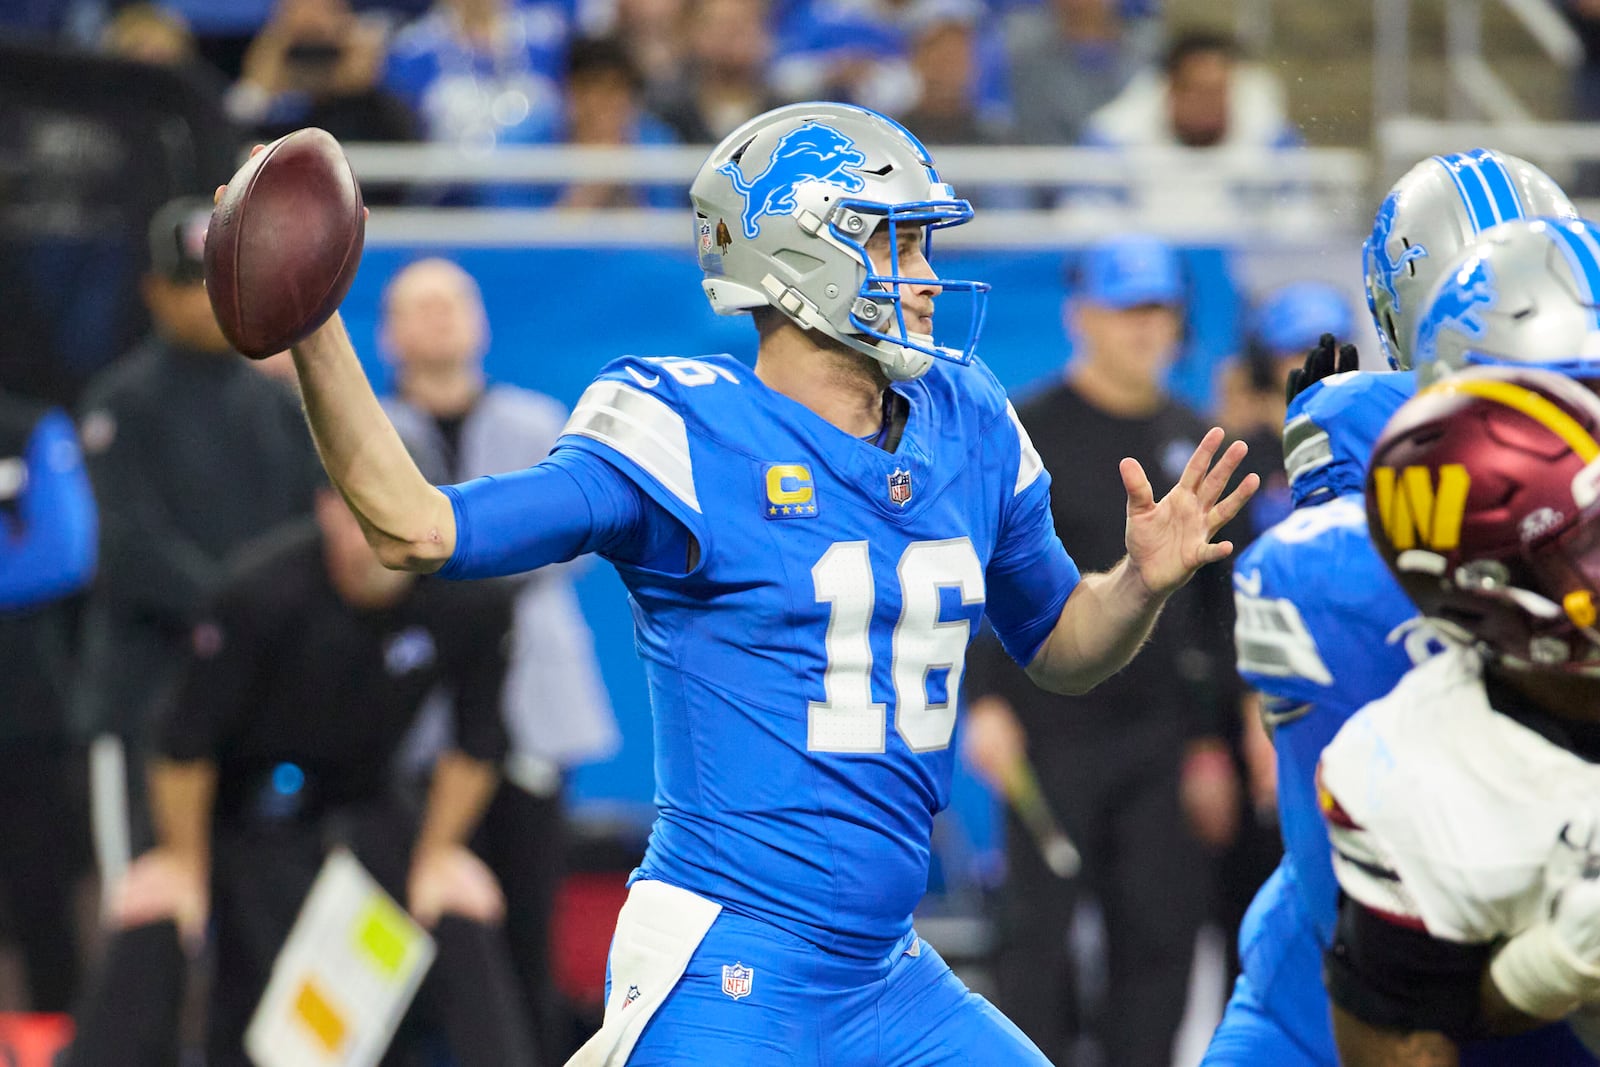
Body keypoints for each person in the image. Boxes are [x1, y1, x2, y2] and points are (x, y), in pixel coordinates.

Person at [239, 101, 1256, 1065]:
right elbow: (418, 527)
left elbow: (1062, 647)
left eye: (924, 245)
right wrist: (314, 324)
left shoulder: (967, 416)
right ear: (799, 254)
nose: (926, 277)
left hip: (885, 971)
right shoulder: (685, 428)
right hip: (726, 960)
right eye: (896, 243)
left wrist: (1136, 583)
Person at [1201, 152, 1585, 1067]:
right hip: (1450, 965)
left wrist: (1344, 446)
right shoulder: (1327, 549)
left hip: (1341, 973)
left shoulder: (1322, 528)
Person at [66, 484, 534, 1067]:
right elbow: (184, 744)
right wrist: (183, 864)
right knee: (158, 914)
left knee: (460, 907)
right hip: (229, 809)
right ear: (327, 513)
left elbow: (480, 739)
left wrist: (438, 854)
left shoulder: (472, 603)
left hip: (363, 802)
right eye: (366, 520)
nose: (382, 542)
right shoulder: (260, 594)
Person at [961, 234, 1243, 1067]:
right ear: (1082, 316)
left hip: (1160, 742)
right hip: (1049, 730)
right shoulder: (1031, 430)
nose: (1144, 330)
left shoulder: (1194, 442)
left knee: (1157, 946)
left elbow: (1213, 616)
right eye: (1127, 310)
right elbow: (981, 571)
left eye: (1159, 311)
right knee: (1035, 948)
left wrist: (1208, 745)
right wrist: (982, 702)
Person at [1319, 365, 1600, 1064]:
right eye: (1594, 546)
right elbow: (1402, 1034)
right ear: (1495, 595)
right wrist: (1551, 967)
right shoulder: (1418, 775)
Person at [379, 256, 619, 1063]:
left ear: (480, 323)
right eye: (420, 305)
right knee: (404, 919)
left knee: (526, 912)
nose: (440, 318)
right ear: (388, 334)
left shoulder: (540, 421)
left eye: (454, 301)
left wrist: (439, 560)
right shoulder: (372, 436)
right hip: (407, 723)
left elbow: (573, 535)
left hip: (531, 713)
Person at [75, 196, 322, 886]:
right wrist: (241, 611)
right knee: (150, 902)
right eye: (189, 282)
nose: (206, 300)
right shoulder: (116, 403)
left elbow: (310, 532)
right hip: (148, 693)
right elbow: (123, 544)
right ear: (153, 289)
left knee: (259, 901)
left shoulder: (279, 406)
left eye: (220, 280)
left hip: (257, 700)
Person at [0, 390, 96, 1013]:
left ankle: (58, 1037)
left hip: (25, 715)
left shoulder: (30, 428)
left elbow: (67, 554)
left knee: (45, 895)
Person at [226, 0, 417, 149]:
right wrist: (256, 89)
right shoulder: (272, 104)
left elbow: (405, 150)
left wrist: (357, 88)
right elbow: (229, 135)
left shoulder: (378, 109)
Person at [1004, 0, 1162, 147]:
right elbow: (1037, 136)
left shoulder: (1148, 55)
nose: (1077, 3)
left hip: (1138, 165)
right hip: (1057, 167)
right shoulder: (1027, 58)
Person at [651, 0, 779, 145]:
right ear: (695, 33)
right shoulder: (667, 109)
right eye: (722, 26)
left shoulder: (781, 112)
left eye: (743, 25)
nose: (732, 37)